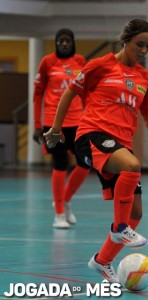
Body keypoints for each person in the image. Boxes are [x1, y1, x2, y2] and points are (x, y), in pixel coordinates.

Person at [43, 19, 148, 283]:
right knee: (132, 166)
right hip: (91, 135)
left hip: (121, 144)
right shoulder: (100, 65)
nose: (144, 51)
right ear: (126, 41)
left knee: (137, 213)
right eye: (139, 45)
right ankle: (119, 228)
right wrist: (55, 129)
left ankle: (102, 261)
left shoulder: (145, 78)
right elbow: (69, 94)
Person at [33, 28, 90, 229]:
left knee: (85, 163)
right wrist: (37, 126)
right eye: (60, 41)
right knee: (60, 164)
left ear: (73, 42)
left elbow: (86, 92)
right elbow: (38, 94)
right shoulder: (47, 62)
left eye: (67, 41)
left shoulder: (80, 62)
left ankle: (65, 200)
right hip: (53, 121)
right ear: (56, 43)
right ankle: (58, 214)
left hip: (77, 121)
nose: (64, 44)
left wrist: (89, 118)